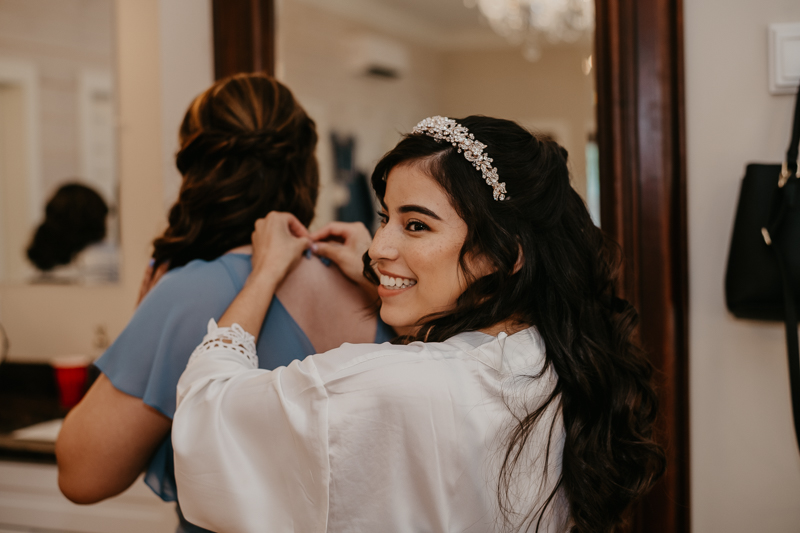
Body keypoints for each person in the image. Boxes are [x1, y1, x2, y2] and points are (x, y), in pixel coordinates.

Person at [172, 115, 666, 532]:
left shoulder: (384, 385)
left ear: (505, 254)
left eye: (416, 225)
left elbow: (207, 412)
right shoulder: (553, 363)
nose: (376, 248)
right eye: (385, 218)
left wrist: (263, 275)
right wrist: (387, 284)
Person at [55, 73, 394, 533]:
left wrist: (149, 318)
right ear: (304, 167)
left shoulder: (189, 291)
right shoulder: (379, 288)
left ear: (198, 173)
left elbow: (83, 477)